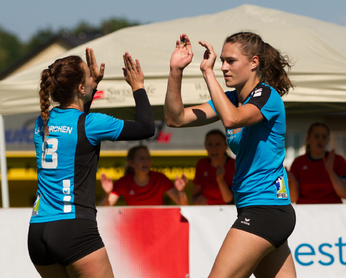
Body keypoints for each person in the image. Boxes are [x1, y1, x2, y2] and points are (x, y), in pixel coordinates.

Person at [164, 32, 296, 277]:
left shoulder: (266, 96)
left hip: (266, 209)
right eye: (221, 60)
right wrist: (176, 71)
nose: (223, 66)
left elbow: (232, 118)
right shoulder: (230, 98)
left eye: (230, 61)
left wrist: (207, 73)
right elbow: (175, 118)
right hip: (255, 209)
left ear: (254, 62)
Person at [28, 48, 155, 278]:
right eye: (88, 75)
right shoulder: (92, 123)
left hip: (38, 231)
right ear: (80, 88)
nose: (92, 76)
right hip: (72, 228)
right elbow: (147, 127)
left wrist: (92, 86)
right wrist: (138, 86)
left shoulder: (42, 121)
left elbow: (74, 126)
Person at [99, 145, 189, 206]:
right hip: (134, 227)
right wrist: (107, 194)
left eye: (148, 158)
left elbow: (184, 204)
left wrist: (180, 191)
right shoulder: (124, 182)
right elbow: (105, 208)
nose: (146, 161)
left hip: (157, 227)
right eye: (141, 158)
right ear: (131, 163)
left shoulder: (160, 179)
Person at [289, 122, 346, 204]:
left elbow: (344, 194)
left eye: (324, 137)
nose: (320, 140)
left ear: (327, 140)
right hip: (304, 212)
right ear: (308, 139)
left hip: (333, 211)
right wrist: (292, 181)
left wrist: (330, 172)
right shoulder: (298, 162)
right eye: (316, 136)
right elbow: (293, 199)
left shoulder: (338, 160)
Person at [192, 129, 235, 205]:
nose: (213, 149)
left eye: (218, 144)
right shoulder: (201, 164)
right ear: (205, 146)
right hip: (206, 211)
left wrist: (220, 180)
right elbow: (194, 196)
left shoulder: (234, 165)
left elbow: (230, 201)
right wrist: (198, 200)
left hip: (229, 212)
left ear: (225, 146)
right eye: (210, 144)